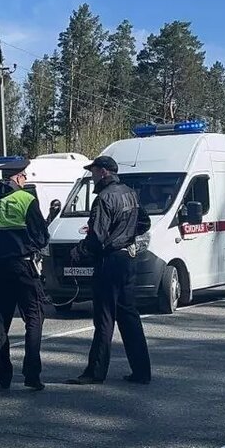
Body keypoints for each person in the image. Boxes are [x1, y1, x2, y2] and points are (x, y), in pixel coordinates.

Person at [66, 156, 152, 386]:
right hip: (127, 259)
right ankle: (142, 371)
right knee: (129, 316)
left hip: (109, 261)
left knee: (104, 319)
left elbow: (97, 238)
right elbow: (144, 222)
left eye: (93, 171)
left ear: (103, 172)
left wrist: (78, 252)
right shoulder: (129, 193)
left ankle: (95, 372)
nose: (92, 176)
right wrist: (125, 233)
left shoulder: (104, 198)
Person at [0, 159, 51, 391]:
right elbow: (41, 237)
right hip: (22, 266)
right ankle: (32, 375)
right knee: (34, 318)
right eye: (25, 177)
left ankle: (3, 376)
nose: (26, 181)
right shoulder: (25, 199)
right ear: (18, 177)